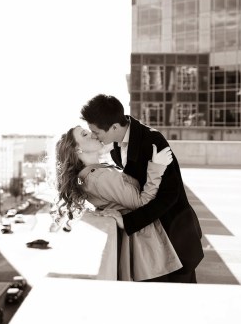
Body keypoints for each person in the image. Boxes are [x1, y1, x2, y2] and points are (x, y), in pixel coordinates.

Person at [80, 94, 204, 283]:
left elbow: (170, 195)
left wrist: (128, 222)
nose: (94, 136)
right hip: (153, 241)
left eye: (96, 132)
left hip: (174, 232)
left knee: (182, 292)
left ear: (114, 127)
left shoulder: (152, 140)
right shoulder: (115, 147)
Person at [55, 126, 182, 281]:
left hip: (140, 241)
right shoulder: (99, 177)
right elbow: (142, 203)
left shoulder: (93, 174)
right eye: (85, 134)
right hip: (145, 244)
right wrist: (157, 167)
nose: (92, 134)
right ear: (78, 149)